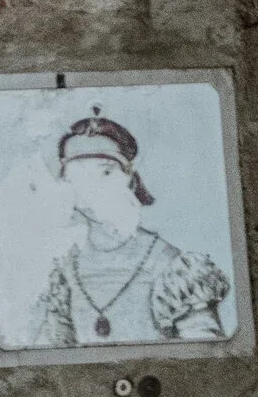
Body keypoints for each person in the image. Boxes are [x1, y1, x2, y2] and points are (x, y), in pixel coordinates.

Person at [29, 113, 231, 346]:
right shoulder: (65, 268)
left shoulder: (170, 266)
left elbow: (205, 352)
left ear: (130, 179)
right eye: (78, 175)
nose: (91, 188)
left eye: (105, 172)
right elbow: (50, 351)